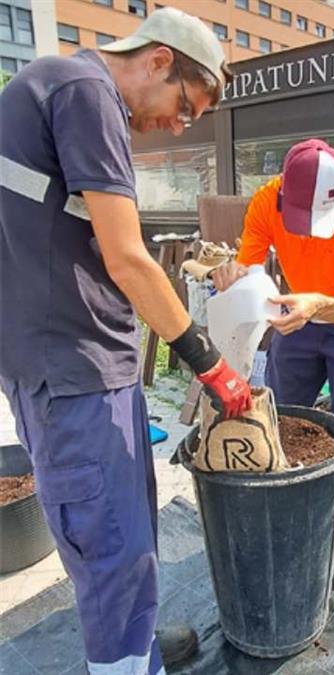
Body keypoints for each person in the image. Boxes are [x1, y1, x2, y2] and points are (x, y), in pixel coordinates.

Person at [0, 8, 250, 673]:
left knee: (122, 533)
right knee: (112, 546)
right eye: (184, 106)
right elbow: (129, 258)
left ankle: (134, 647)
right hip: (74, 371)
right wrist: (211, 364)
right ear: (160, 60)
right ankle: (126, 663)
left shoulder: (52, 89)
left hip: (65, 363)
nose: (176, 123)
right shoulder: (85, 92)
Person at [211, 139, 334, 575]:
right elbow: (248, 269)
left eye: (317, 220)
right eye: (299, 220)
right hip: (295, 311)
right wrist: (232, 280)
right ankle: (288, 503)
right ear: (284, 192)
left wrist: (316, 307)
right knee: (284, 413)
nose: (307, 231)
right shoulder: (267, 200)